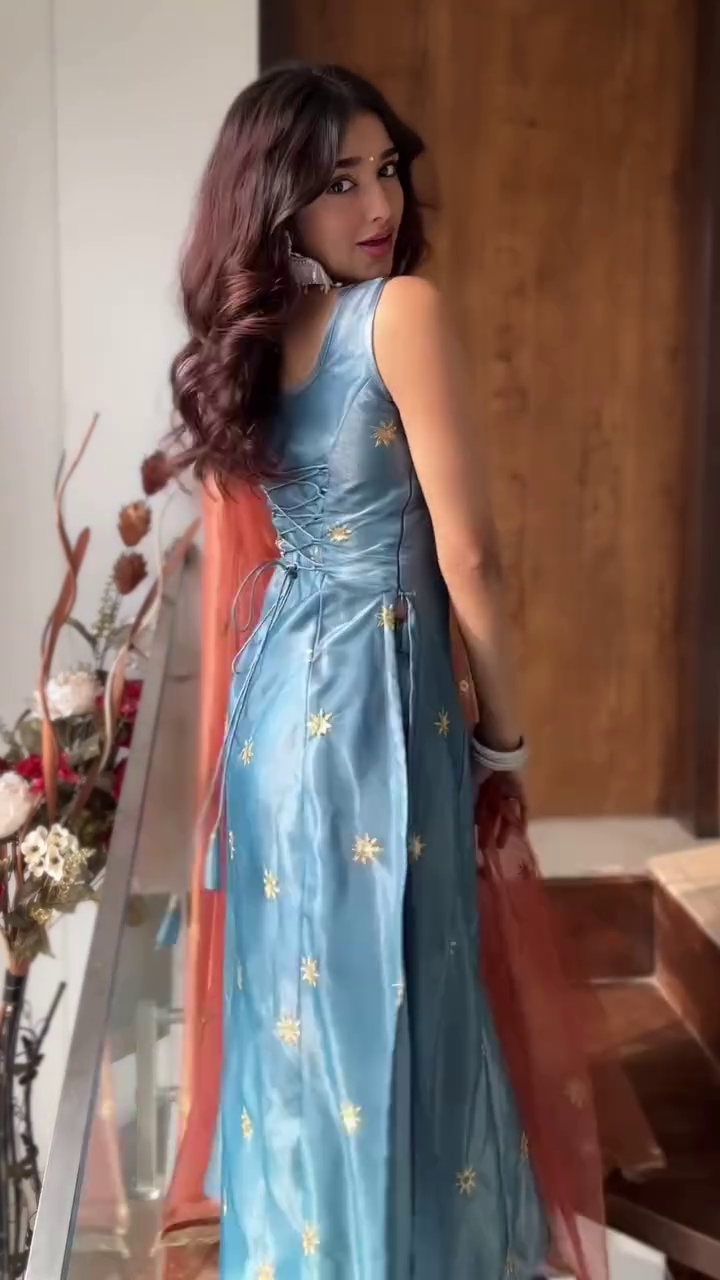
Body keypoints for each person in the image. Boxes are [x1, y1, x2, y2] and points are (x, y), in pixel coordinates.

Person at [162, 63, 608, 1280]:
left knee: (309, 1027)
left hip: (277, 715)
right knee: (398, 1006)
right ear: (278, 203)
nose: (378, 205)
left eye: (388, 170)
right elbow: (472, 555)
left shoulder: (254, 342)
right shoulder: (396, 312)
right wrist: (504, 739)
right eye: (338, 182)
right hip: (372, 709)